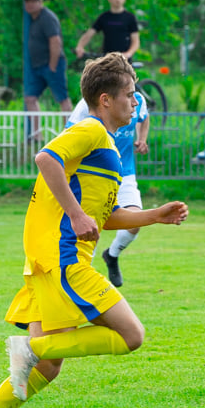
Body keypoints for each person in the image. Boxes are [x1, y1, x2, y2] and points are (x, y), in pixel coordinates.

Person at [0, 53, 188, 408]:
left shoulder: (106, 145)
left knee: (47, 367)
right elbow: (46, 158)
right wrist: (75, 215)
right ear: (105, 99)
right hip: (64, 259)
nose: (136, 102)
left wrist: (153, 217)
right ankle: (29, 350)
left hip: (45, 260)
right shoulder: (91, 129)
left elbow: (104, 216)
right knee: (131, 336)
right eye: (130, 95)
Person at [66, 89, 150, 287]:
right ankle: (82, 280)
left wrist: (142, 138)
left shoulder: (138, 100)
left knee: (134, 222)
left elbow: (144, 118)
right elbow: (69, 134)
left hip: (125, 173)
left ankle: (111, 255)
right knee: (91, 228)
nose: (133, 101)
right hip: (95, 176)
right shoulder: (88, 107)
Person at [23, 0, 73, 133]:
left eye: (33, 1)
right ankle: (36, 134)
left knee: (62, 98)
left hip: (52, 65)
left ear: (40, 2)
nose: (30, 5)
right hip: (37, 67)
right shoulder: (31, 19)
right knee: (30, 98)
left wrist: (52, 65)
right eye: (28, 2)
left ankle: (68, 133)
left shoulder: (47, 17)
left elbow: (55, 41)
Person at [74, 0, 140, 61]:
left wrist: (128, 54)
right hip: (107, 60)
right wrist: (80, 46)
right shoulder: (104, 17)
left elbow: (136, 41)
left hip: (125, 61)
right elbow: (89, 34)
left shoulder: (130, 18)